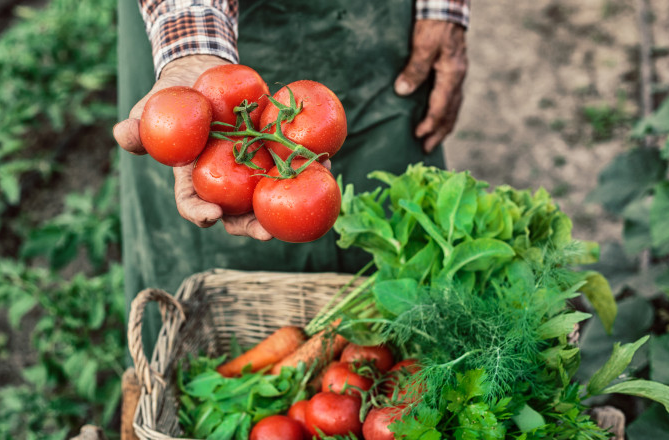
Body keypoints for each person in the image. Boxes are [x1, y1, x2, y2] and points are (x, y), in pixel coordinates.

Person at [114, 0, 469, 353]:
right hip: (200, 22)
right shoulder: (223, 126)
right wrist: (193, 51)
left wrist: (443, 8)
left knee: (399, 240)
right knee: (197, 308)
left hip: (374, 31)